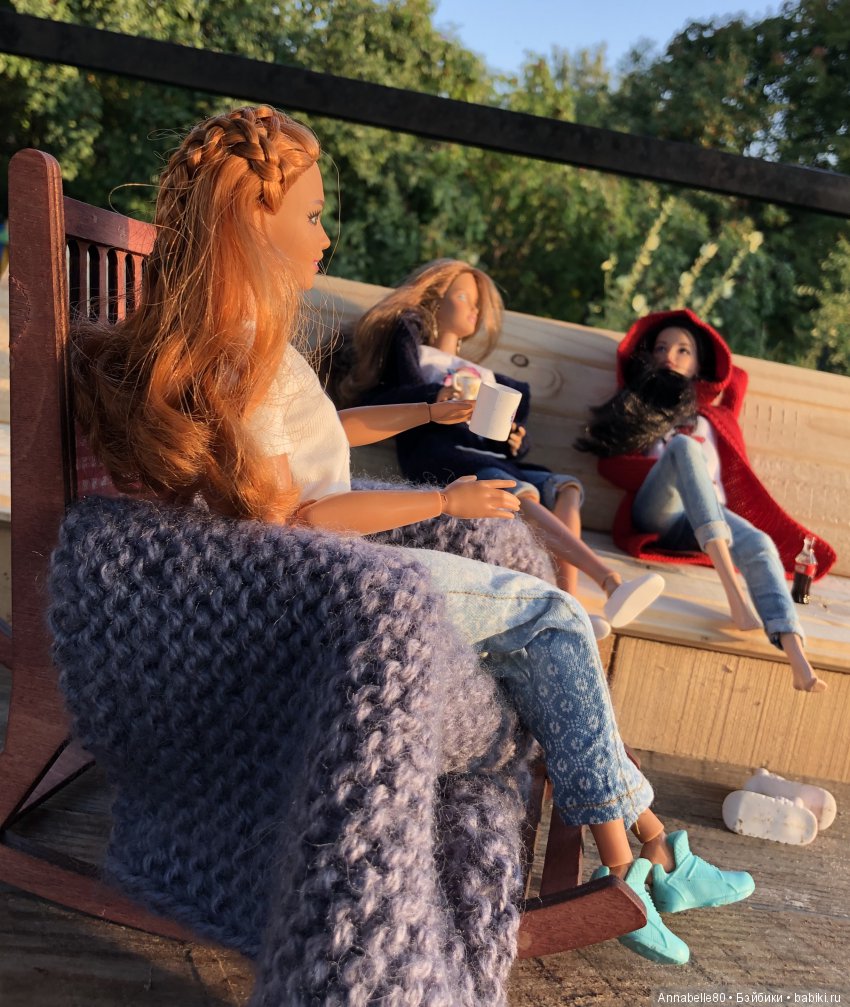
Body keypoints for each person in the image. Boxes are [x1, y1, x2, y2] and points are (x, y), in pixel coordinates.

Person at [71, 105, 754, 965]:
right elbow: (300, 519)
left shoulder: (246, 338)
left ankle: (654, 849)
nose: (325, 238)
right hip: (321, 586)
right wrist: (446, 502)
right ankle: (635, 867)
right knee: (554, 619)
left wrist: (428, 413)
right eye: (310, 216)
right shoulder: (236, 352)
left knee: (553, 626)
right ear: (250, 220)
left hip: (331, 565)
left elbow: (324, 435)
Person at [339, 258, 664, 638]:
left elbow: (497, 434)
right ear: (434, 302)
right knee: (519, 494)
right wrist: (434, 396)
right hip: (452, 460)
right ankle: (609, 581)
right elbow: (390, 404)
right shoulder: (422, 361)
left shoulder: (485, 375)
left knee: (567, 488)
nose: (474, 310)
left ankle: (570, 601)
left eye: (478, 304)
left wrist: (515, 441)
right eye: (463, 297)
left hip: (494, 459)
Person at [575, 308, 837, 693]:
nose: (669, 355)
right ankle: (733, 592)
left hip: (711, 515)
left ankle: (797, 657)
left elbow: (736, 377)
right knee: (682, 448)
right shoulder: (642, 411)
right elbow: (611, 467)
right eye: (660, 348)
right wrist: (645, 388)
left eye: (683, 350)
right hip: (661, 514)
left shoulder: (713, 418)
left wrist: (700, 384)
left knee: (760, 543)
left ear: (700, 364)